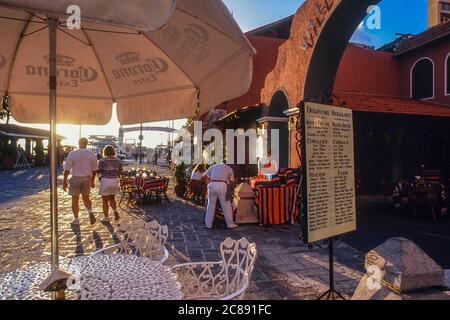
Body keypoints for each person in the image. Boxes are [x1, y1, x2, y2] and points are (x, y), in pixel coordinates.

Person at [63, 137, 98, 226]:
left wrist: (64, 181)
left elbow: (67, 169)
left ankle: (76, 219)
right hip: (87, 178)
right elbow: (94, 170)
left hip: (76, 179)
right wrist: (92, 181)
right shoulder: (92, 154)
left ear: (79, 143)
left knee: (75, 200)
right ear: (87, 143)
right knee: (86, 199)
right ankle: (90, 212)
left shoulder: (73, 154)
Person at [203, 161, 238, 229]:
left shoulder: (213, 166)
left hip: (212, 184)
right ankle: (230, 224)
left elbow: (205, 176)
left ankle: (208, 224)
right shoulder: (229, 168)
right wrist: (229, 191)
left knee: (210, 205)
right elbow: (232, 182)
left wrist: (208, 185)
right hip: (222, 185)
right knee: (226, 205)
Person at [97, 145, 122, 223]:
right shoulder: (118, 160)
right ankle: (115, 211)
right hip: (114, 180)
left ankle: (106, 217)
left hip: (105, 180)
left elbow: (99, 171)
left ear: (105, 152)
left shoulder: (102, 160)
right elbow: (120, 170)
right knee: (112, 199)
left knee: (105, 201)